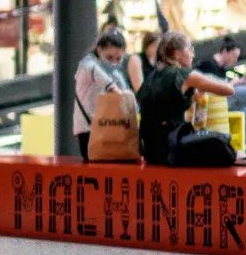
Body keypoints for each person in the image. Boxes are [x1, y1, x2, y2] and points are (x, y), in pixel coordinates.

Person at [138, 29, 237, 166]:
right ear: (177, 54)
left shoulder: (152, 77)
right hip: (171, 149)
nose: (193, 54)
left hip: (149, 151)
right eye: (190, 49)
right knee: (224, 145)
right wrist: (205, 80)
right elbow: (229, 90)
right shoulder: (184, 74)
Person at [73, 25, 132, 161]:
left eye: (118, 59)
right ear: (99, 50)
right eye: (109, 57)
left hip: (105, 129)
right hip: (90, 132)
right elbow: (117, 92)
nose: (114, 63)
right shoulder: (89, 65)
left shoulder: (113, 72)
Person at [124, 29, 161, 95]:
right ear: (147, 45)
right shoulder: (136, 59)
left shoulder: (159, 61)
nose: (157, 48)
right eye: (154, 45)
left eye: (159, 45)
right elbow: (139, 88)